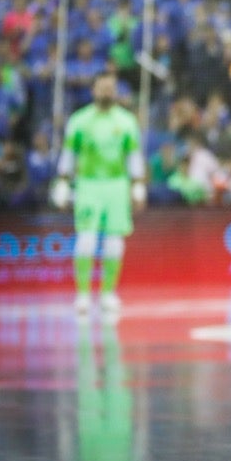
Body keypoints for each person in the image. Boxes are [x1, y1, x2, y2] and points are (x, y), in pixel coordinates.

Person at [52, 71, 147, 314]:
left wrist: (137, 185)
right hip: (88, 185)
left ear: (115, 91)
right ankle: (83, 295)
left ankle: (108, 293)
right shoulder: (79, 121)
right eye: (102, 87)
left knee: (114, 241)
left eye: (110, 88)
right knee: (87, 239)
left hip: (117, 185)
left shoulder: (126, 121)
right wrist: (63, 182)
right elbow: (69, 153)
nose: (106, 92)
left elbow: (133, 156)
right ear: (93, 90)